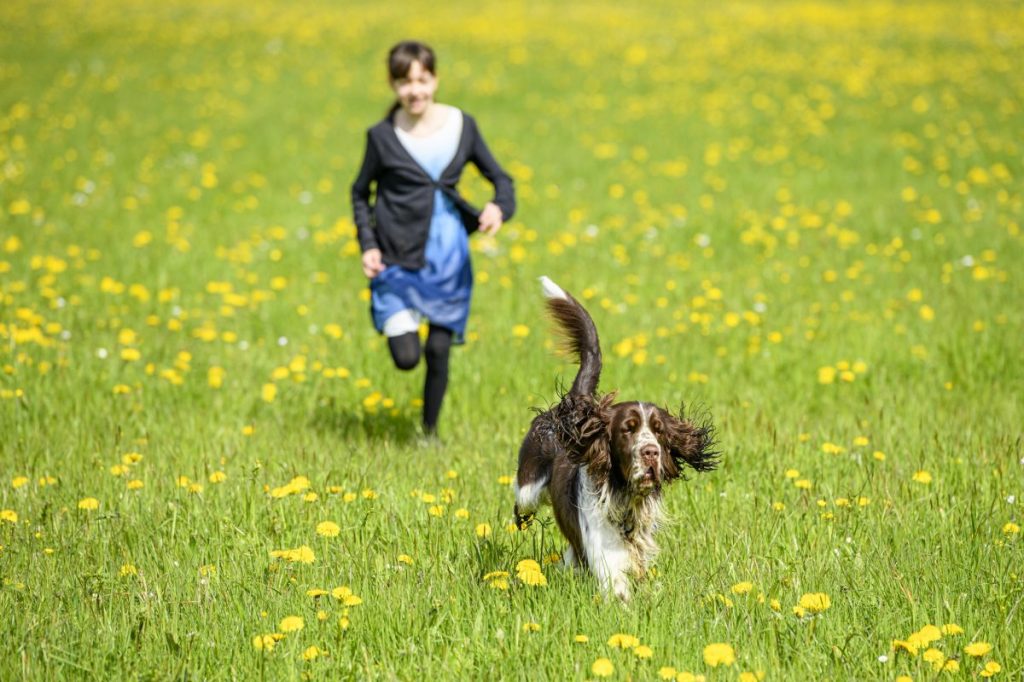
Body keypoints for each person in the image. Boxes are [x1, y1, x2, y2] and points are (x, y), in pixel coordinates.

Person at [351, 40, 516, 438]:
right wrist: (368, 244)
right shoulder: (381, 136)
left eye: (422, 80)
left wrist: (498, 207)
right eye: (405, 82)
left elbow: (501, 179)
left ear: (435, 79)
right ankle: (402, 318)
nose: (415, 91)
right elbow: (360, 192)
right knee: (407, 357)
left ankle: (429, 432)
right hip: (396, 255)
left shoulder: (463, 125)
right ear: (393, 85)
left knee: (439, 350)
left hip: (449, 256)